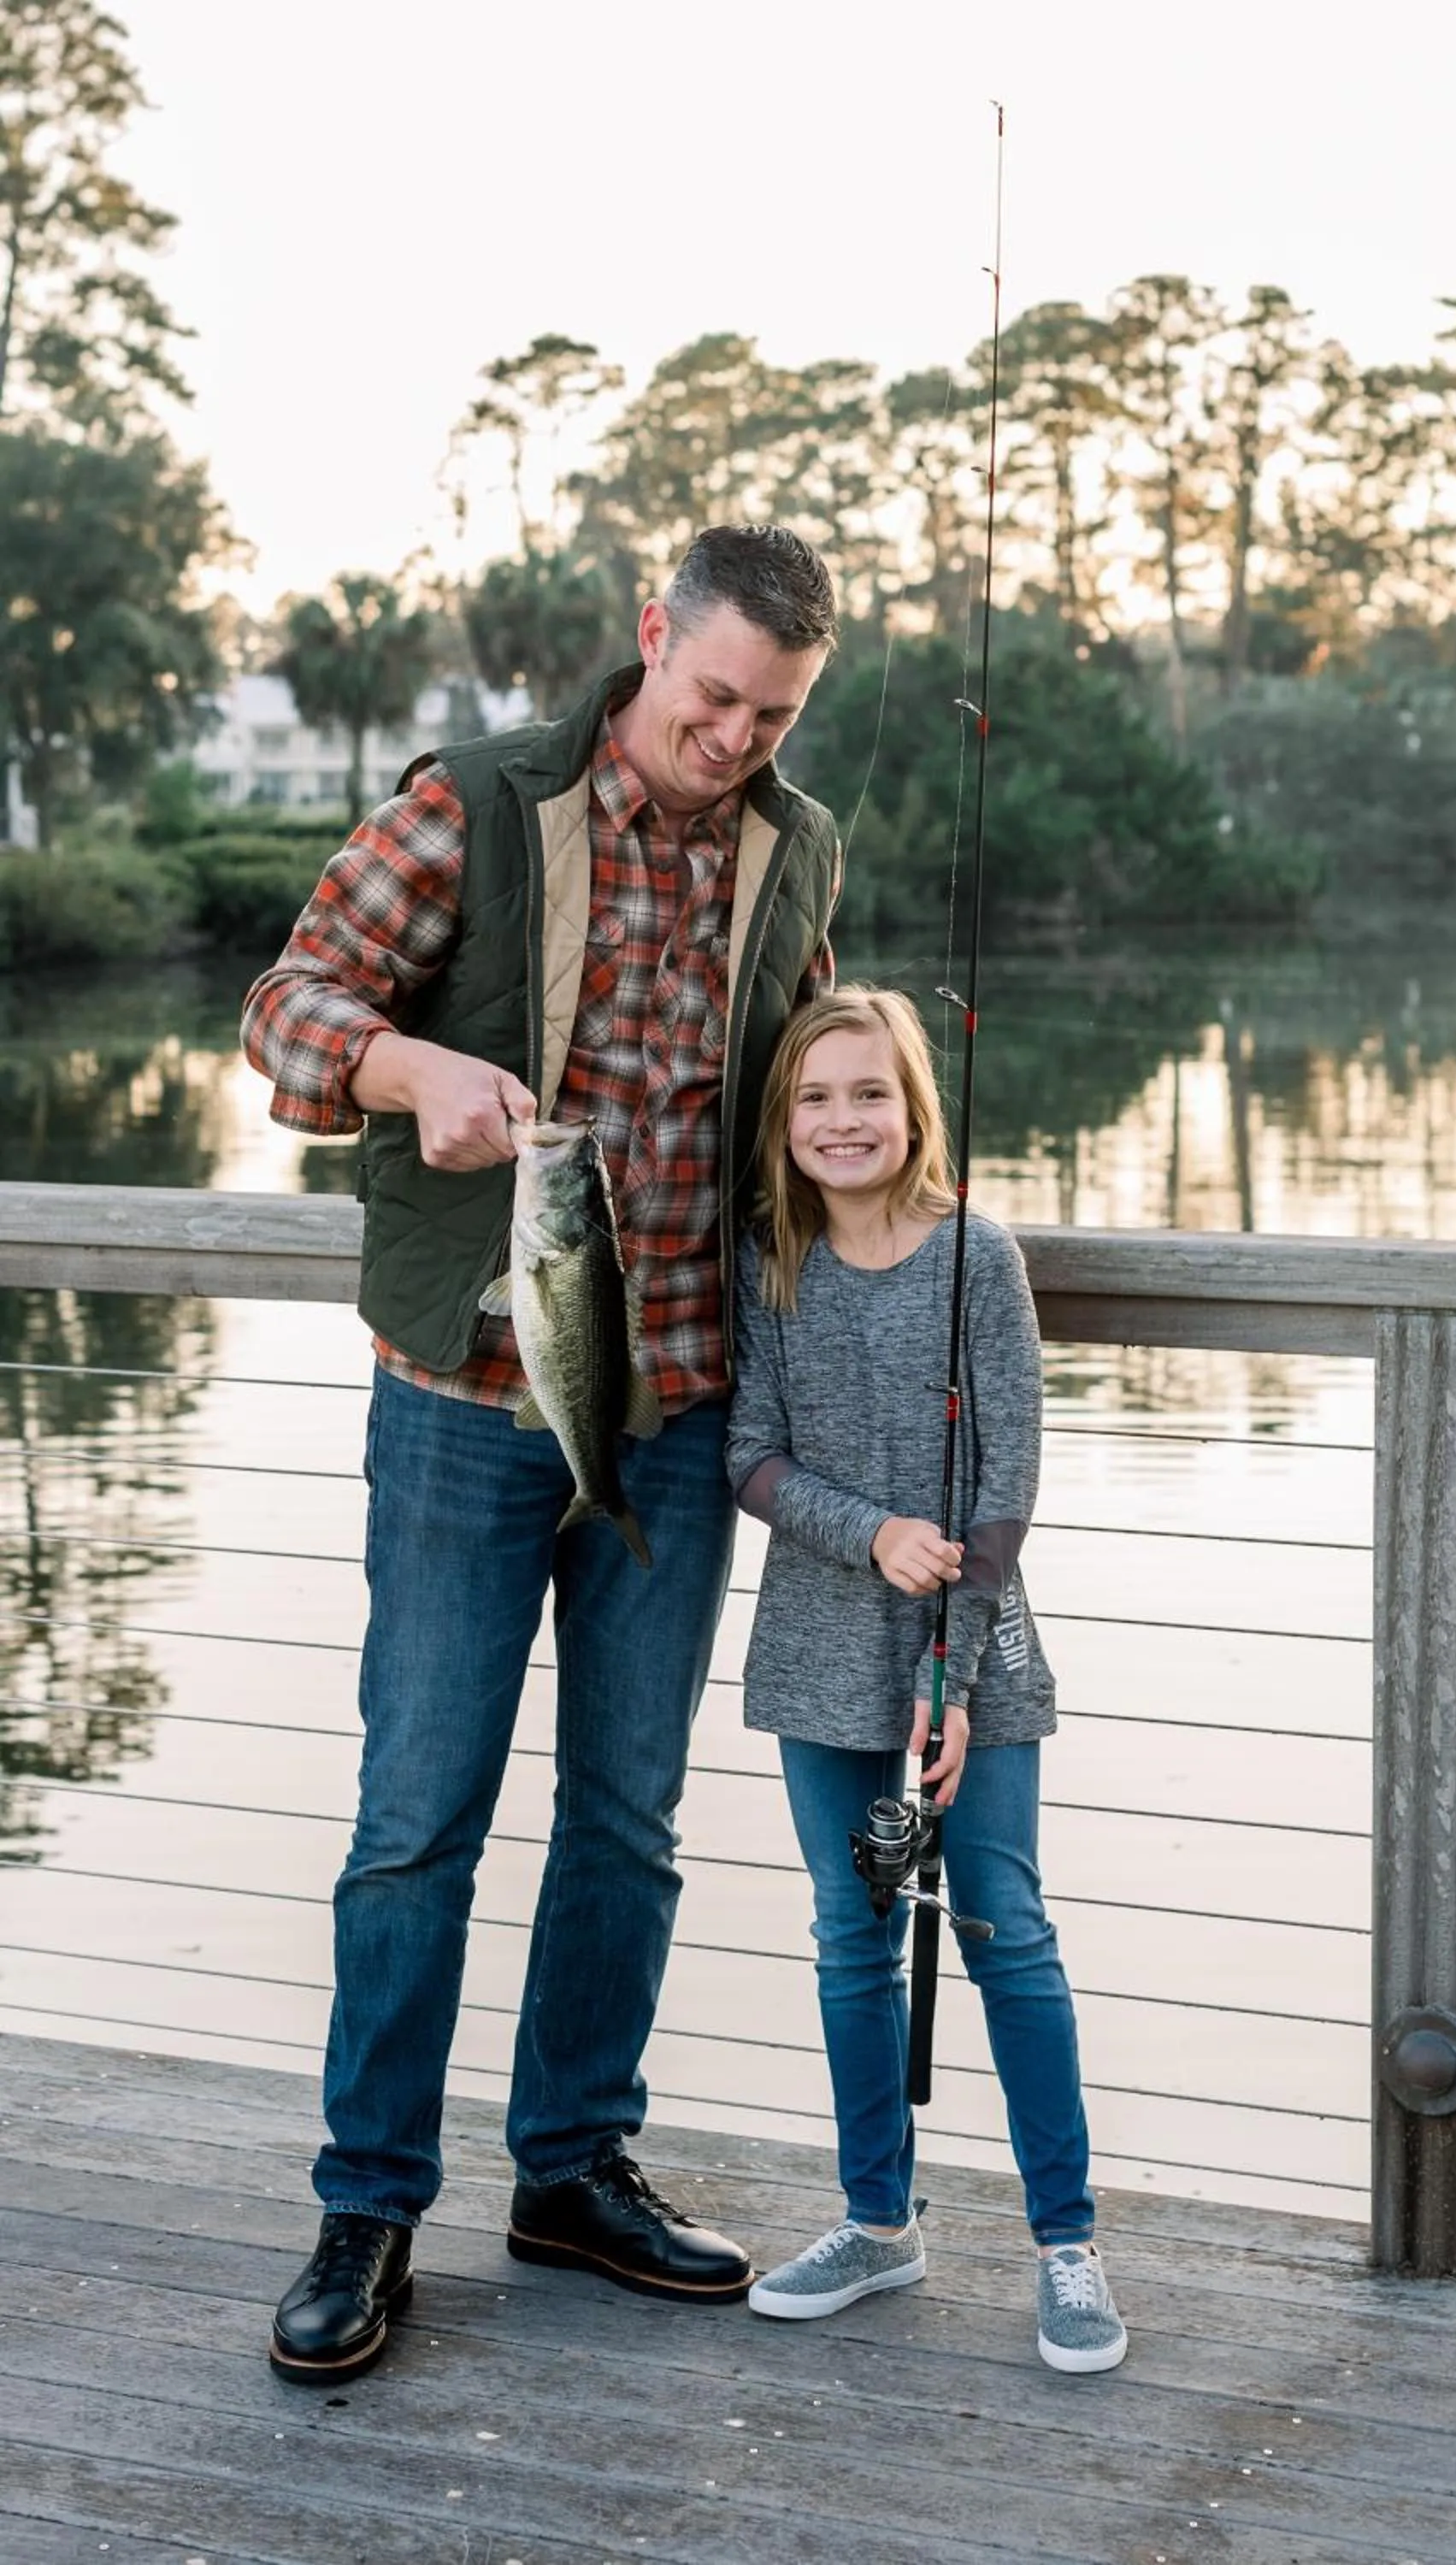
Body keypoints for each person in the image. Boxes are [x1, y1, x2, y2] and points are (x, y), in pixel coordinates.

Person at [241, 525, 842, 2381]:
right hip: (461, 1411)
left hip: (670, 1418)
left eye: (771, 713)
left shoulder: (794, 852)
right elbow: (287, 1008)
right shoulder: (476, 802)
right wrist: (410, 1073)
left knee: (627, 1820)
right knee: (414, 1821)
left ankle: (570, 2168)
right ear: (649, 641)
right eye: (710, 693)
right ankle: (367, 2205)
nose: (731, 734)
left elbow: (815, 1083)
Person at [725, 988, 1129, 2374]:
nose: (844, 1122)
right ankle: (874, 2222)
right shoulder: (766, 1263)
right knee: (852, 1931)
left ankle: (1065, 2245)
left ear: (914, 1109)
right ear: (783, 1123)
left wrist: (955, 1660)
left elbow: (1007, 1479)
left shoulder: (979, 1257)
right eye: (815, 1099)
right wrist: (870, 1533)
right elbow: (750, 1459)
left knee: (1003, 1925)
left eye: (869, 1094)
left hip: (977, 1641)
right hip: (821, 1635)